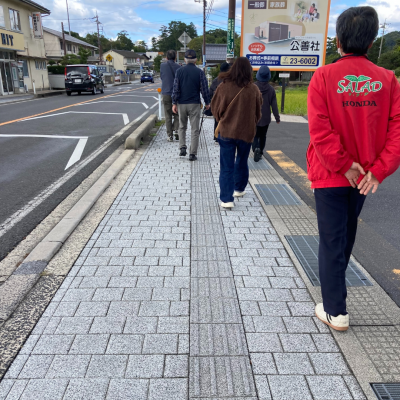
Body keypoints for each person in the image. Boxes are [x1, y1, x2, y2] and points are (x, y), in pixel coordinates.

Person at [307, 6, 400, 331]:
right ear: (372, 41)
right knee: (345, 236)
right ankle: (335, 302)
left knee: (332, 241)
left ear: (338, 40)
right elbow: (396, 129)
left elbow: (319, 129)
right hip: (364, 176)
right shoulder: (387, 79)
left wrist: (343, 164)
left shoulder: (323, 77)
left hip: (330, 173)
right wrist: (379, 169)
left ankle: (336, 310)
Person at [211, 57, 262, 209]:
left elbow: (215, 108)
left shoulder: (224, 86)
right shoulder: (253, 89)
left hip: (227, 131)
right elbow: (258, 112)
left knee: (226, 166)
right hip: (246, 132)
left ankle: (227, 199)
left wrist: (223, 119)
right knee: (242, 160)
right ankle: (239, 189)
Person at [172, 49, 210, 161]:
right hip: (194, 104)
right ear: (196, 60)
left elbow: (175, 89)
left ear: (185, 60)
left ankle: (182, 147)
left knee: (182, 127)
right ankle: (192, 153)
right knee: (194, 129)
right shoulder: (200, 72)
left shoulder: (179, 71)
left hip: (181, 104)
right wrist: (207, 102)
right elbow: (204, 89)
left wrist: (174, 103)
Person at [253, 65, 280, 162]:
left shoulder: (253, 87)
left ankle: (255, 148)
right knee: (263, 135)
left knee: (254, 134)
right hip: (265, 117)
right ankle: (260, 151)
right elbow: (274, 105)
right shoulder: (271, 89)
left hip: (254, 116)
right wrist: (277, 118)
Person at [160, 50, 181, 142]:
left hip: (166, 93)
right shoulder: (179, 67)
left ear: (166, 57)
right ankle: (176, 129)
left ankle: (170, 136)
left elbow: (162, 77)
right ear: (175, 58)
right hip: (177, 93)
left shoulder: (162, 66)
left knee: (168, 115)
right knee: (177, 113)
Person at [209, 62, 231, 143]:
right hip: (228, 104)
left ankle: (216, 136)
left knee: (217, 120)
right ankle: (226, 135)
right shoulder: (231, 80)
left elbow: (210, 93)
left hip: (217, 104)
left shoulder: (216, 80)